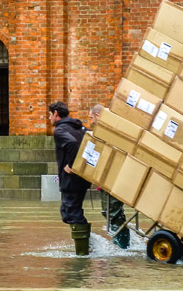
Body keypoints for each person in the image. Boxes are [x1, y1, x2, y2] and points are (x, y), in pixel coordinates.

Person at [48, 101, 92, 255]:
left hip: (71, 180)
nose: (49, 118)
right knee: (69, 212)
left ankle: (84, 250)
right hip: (83, 179)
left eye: (50, 115)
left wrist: (72, 165)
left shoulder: (60, 130)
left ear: (56, 114)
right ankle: (87, 242)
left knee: (71, 213)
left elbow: (72, 143)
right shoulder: (80, 128)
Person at [89, 104, 130, 249]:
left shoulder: (108, 132)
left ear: (98, 115)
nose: (91, 122)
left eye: (92, 118)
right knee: (109, 212)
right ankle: (121, 242)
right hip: (106, 180)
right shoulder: (106, 132)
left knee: (113, 213)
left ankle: (123, 245)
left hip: (111, 181)